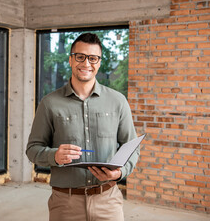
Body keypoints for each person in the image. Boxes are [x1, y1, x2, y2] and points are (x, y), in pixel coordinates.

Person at [26, 33, 139, 221]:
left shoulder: (118, 101)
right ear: (71, 60)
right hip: (65, 203)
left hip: (108, 201)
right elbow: (32, 150)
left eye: (93, 58)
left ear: (99, 62)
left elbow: (132, 147)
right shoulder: (49, 103)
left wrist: (119, 172)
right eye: (80, 57)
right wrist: (54, 155)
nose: (86, 63)